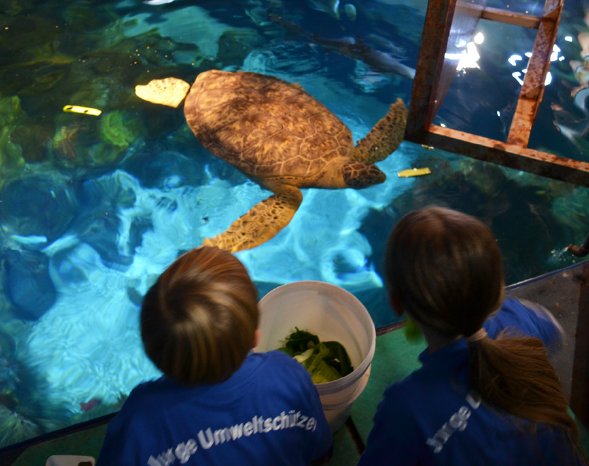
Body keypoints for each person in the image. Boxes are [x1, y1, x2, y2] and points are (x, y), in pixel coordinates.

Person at [359, 206, 587, 466]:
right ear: (496, 292)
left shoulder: (406, 410)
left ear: (396, 302)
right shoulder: (522, 318)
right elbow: (556, 335)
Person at [97, 246, 332, 466]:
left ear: (152, 350)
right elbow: (319, 451)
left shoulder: (139, 421)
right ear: (255, 337)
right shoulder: (288, 376)